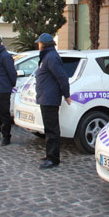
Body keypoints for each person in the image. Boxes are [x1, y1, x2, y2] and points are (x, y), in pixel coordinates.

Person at [35, 33, 71, 169]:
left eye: (39, 43)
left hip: (50, 99)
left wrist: (66, 95)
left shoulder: (51, 57)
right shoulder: (47, 56)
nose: (38, 45)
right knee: (48, 129)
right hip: (45, 98)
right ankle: (50, 154)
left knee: (52, 130)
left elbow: (62, 77)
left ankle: (53, 158)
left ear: (44, 44)